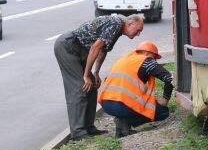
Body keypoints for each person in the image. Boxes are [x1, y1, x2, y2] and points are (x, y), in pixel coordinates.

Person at [53, 12, 145, 140]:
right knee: (80, 87)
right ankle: (78, 132)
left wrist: (95, 73)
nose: (138, 34)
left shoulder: (118, 28)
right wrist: (86, 75)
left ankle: (89, 127)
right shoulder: (116, 24)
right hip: (68, 47)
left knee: (93, 86)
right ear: (130, 23)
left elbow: (103, 50)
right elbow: (95, 48)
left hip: (81, 50)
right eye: (138, 30)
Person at [99, 40, 174, 138]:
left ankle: (122, 122)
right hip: (121, 105)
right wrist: (165, 99)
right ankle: (125, 121)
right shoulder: (147, 61)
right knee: (163, 112)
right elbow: (170, 79)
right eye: (155, 57)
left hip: (106, 104)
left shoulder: (124, 59)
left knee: (138, 106)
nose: (155, 61)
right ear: (148, 53)